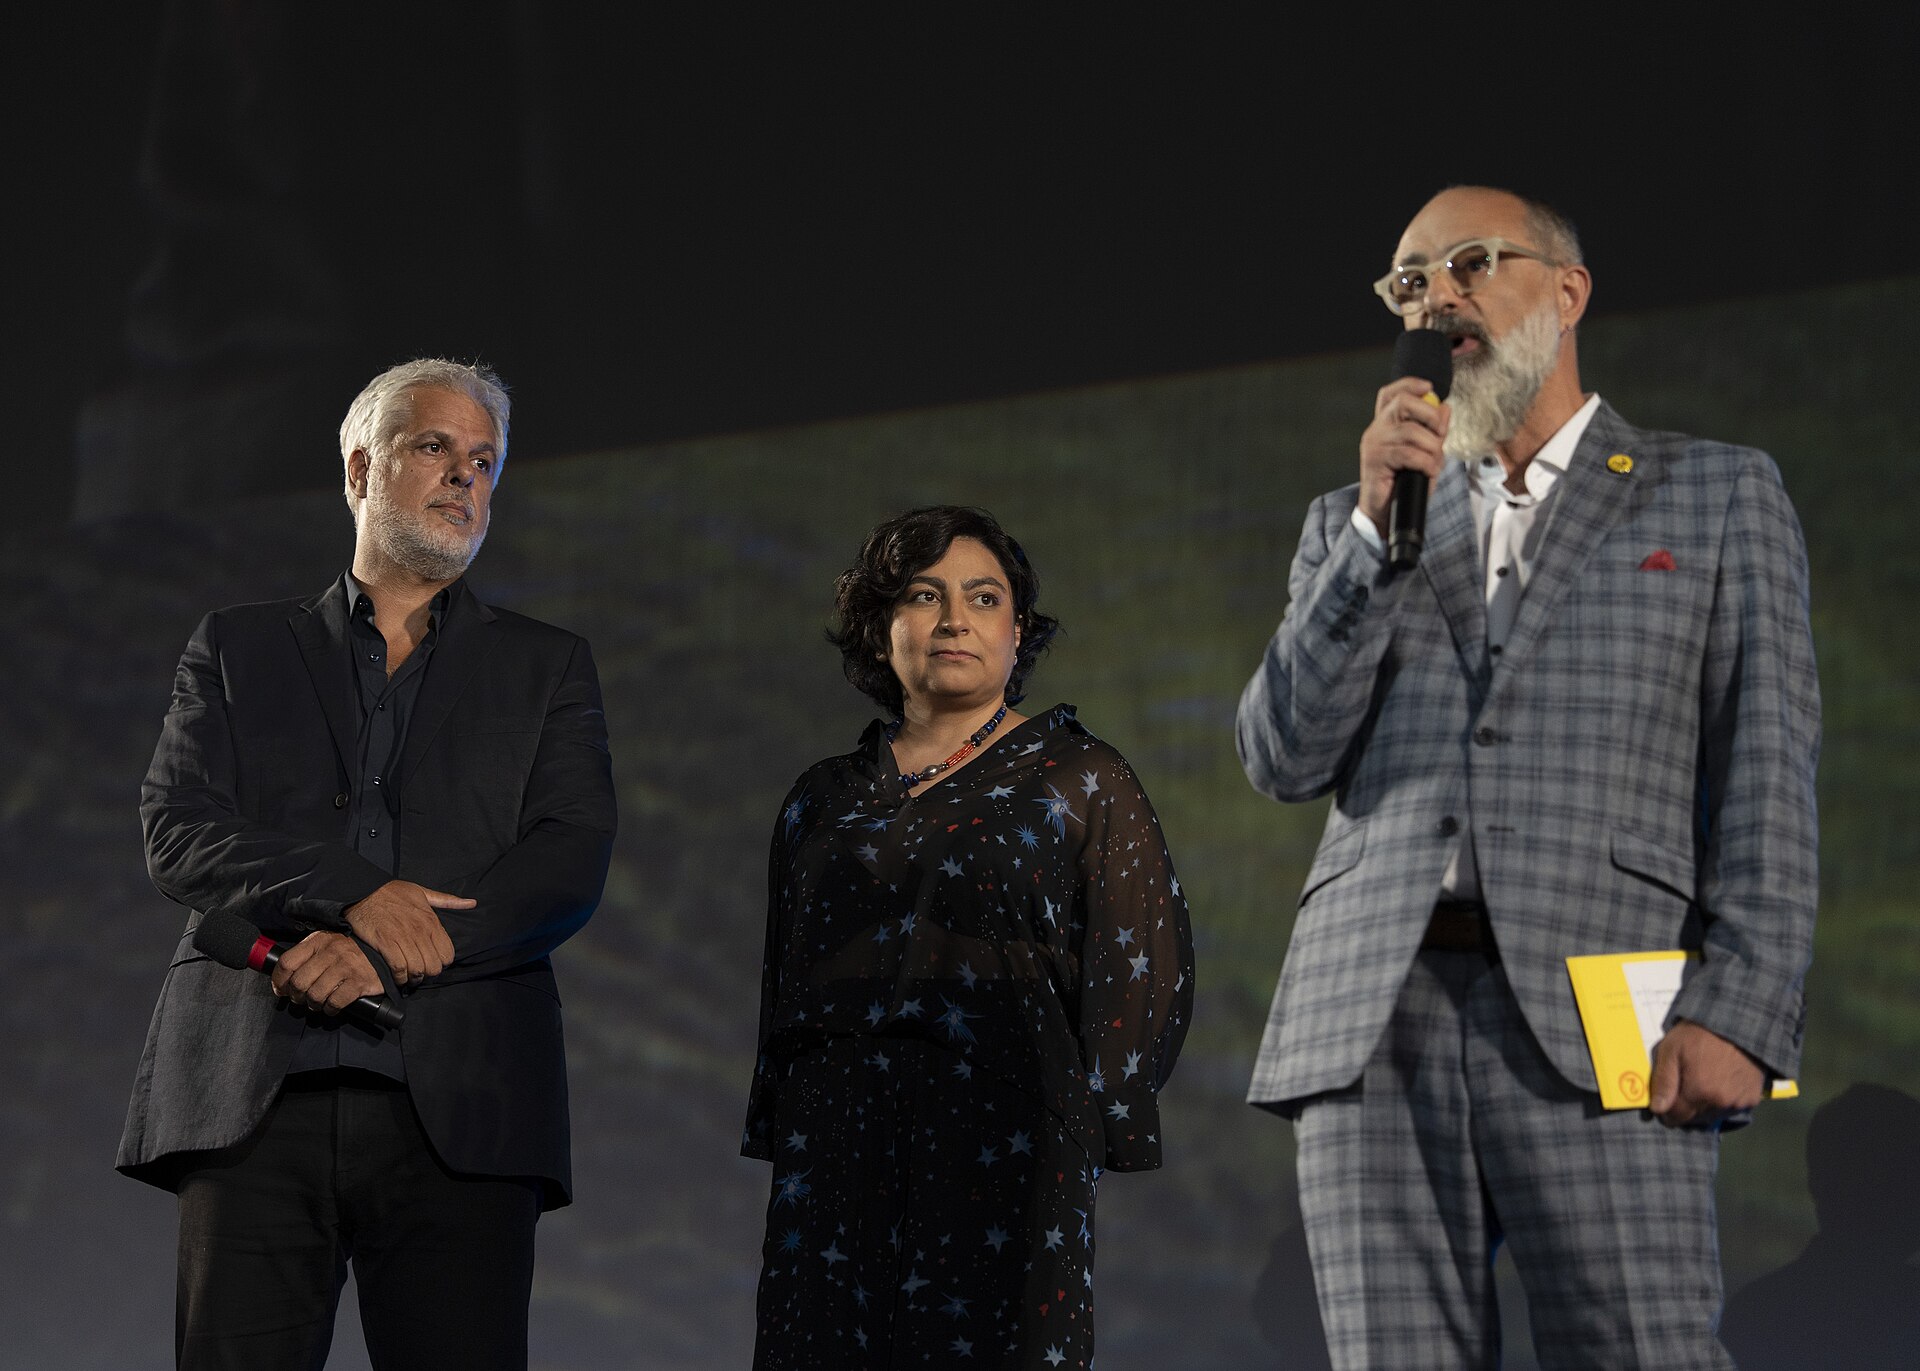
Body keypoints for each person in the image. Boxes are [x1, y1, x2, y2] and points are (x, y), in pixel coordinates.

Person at [1235, 186, 1819, 1369]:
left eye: (1469, 262)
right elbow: (1282, 756)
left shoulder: (1712, 493)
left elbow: (1769, 771)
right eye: (1408, 279)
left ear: (1567, 291)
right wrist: (1367, 538)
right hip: (1369, 1021)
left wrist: (1742, 1008)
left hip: (1613, 1012)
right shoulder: (1352, 521)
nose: (1435, 295)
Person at [117, 358, 617, 1370]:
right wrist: (358, 894)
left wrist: (390, 952)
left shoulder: (548, 665)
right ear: (358, 470)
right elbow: (178, 828)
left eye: (484, 461)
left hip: (465, 1109)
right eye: (435, 448)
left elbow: (567, 860)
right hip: (252, 1095)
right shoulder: (235, 647)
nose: (464, 479)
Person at [744, 505, 1194, 1369]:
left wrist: (1086, 1123)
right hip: (834, 1145)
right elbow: (784, 977)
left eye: (983, 597)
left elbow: (1147, 966)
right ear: (880, 630)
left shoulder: (1083, 779)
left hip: (1007, 1141)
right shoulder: (819, 796)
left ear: (1018, 633)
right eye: (924, 594)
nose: (954, 618)